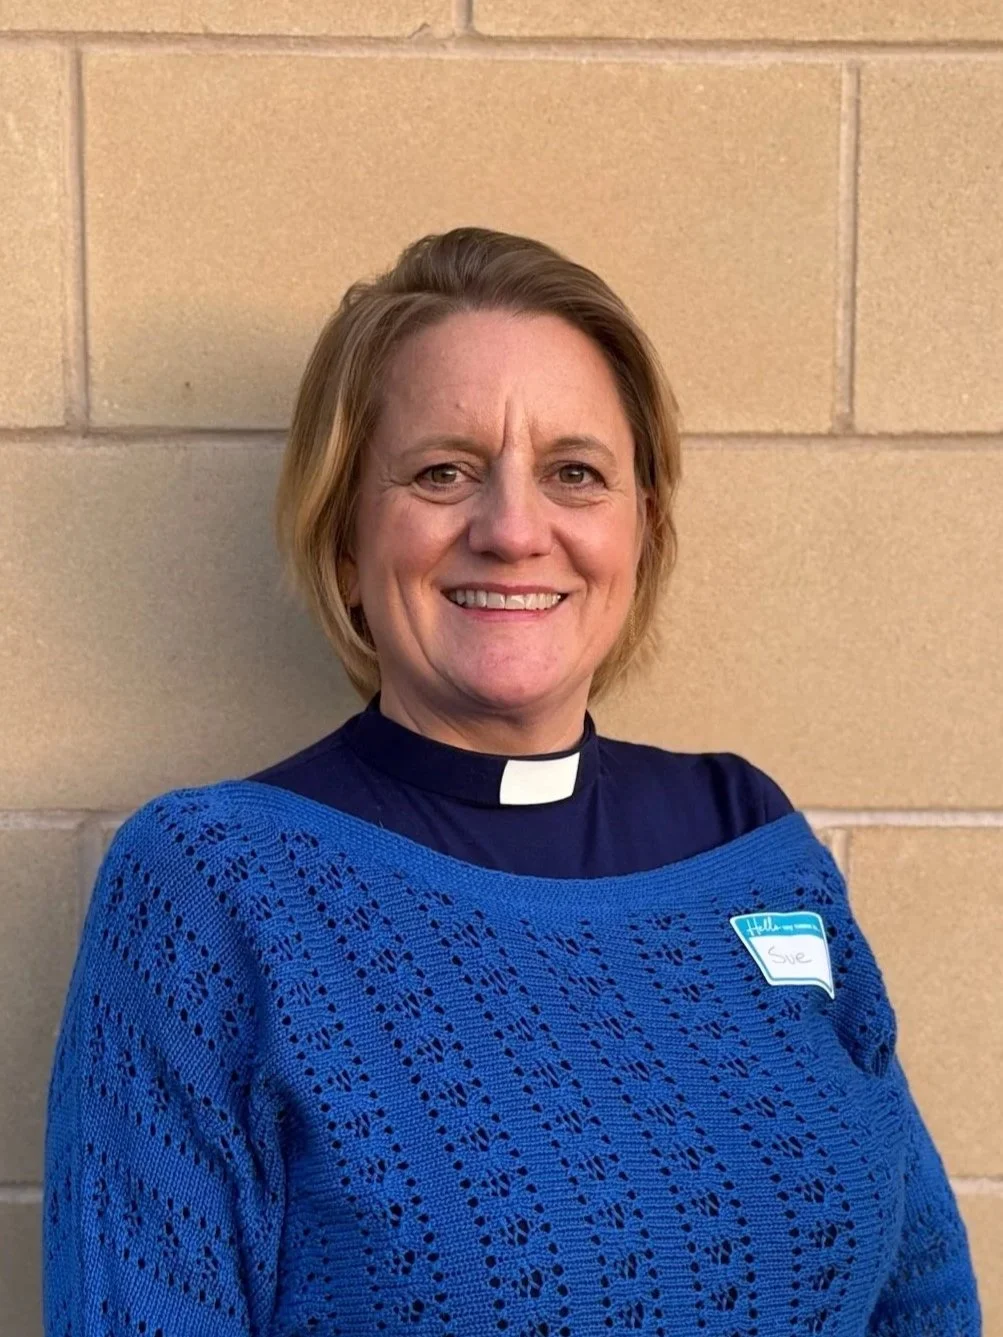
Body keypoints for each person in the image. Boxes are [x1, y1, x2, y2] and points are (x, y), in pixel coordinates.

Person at [42, 227, 980, 1335]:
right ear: (345, 538)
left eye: (574, 473)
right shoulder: (215, 890)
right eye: (443, 472)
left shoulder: (748, 837)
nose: (513, 529)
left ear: (640, 528)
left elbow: (920, 1284)